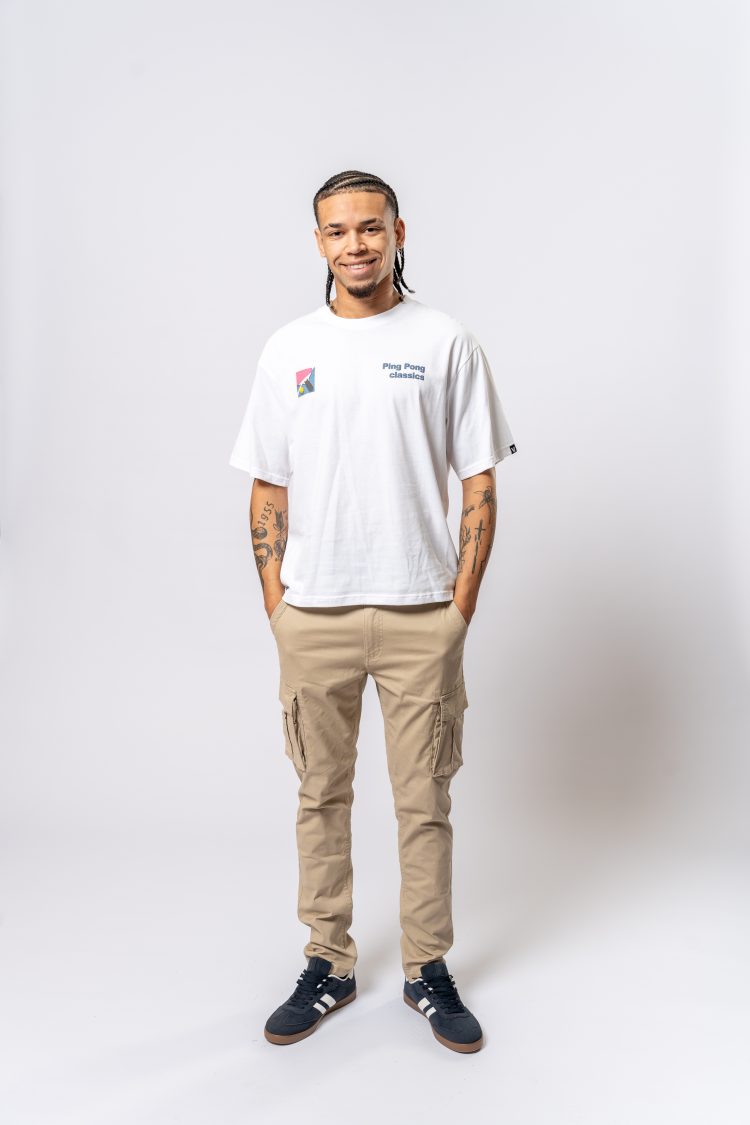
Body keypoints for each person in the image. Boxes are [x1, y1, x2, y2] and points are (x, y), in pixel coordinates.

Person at [229, 169, 517, 1054]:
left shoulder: (445, 341)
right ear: (318, 243)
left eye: (369, 226)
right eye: (337, 230)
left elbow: (479, 479)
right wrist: (278, 605)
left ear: (398, 231)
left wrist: (458, 607)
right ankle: (330, 961)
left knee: (424, 800)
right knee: (320, 794)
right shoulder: (288, 349)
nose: (354, 243)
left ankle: (428, 967)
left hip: (421, 612)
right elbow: (267, 483)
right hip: (312, 614)